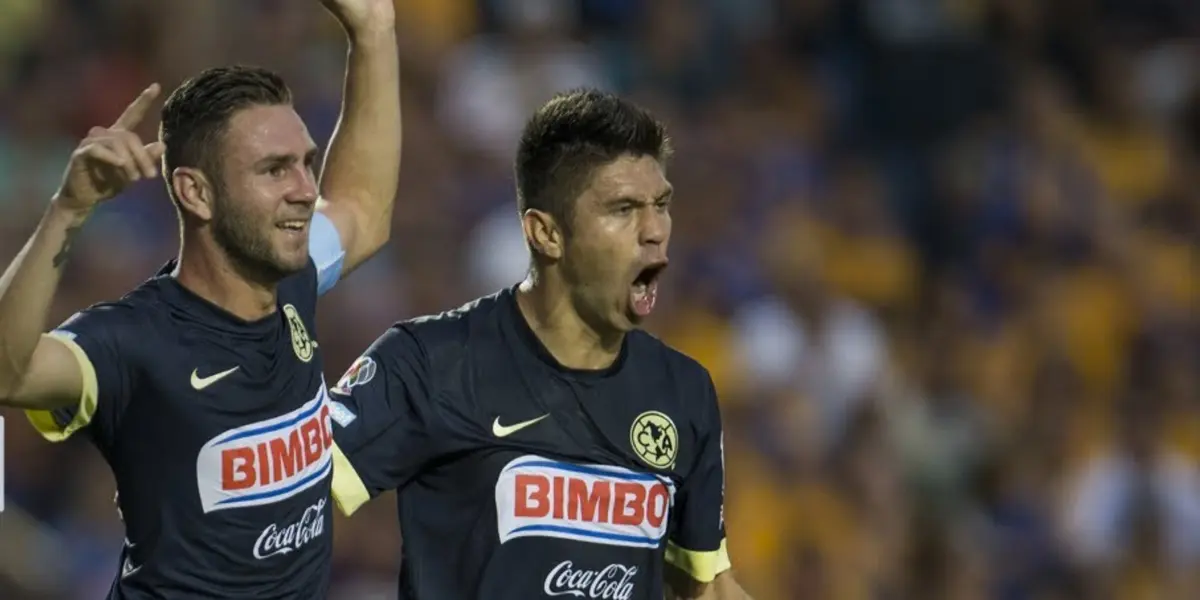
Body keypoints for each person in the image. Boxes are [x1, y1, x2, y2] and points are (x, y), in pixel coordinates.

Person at [0, 0, 400, 597]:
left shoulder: (288, 281)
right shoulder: (134, 341)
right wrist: (69, 210)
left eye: (305, 164)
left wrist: (372, 32)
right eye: (274, 170)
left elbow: (364, 213)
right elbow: (8, 373)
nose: (304, 190)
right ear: (197, 193)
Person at [328, 89, 753, 599]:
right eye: (623, 209)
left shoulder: (684, 391)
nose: (655, 230)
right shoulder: (429, 362)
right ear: (545, 233)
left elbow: (705, 586)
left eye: (660, 205)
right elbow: (284, 502)